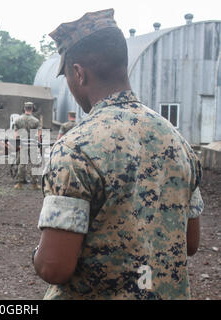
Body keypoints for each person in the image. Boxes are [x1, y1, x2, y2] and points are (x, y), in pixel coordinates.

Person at [32, 8, 203, 299]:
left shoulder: (75, 148)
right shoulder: (178, 141)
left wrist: (38, 253)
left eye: (68, 76)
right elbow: (190, 243)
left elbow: (54, 268)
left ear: (78, 73)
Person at [13, 102, 42, 190]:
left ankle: (19, 184)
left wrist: (17, 145)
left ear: (24, 108)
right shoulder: (36, 121)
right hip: (33, 144)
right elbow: (39, 135)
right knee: (35, 164)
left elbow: (16, 134)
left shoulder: (18, 120)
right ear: (32, 109)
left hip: (22, 144)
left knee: (22, 164)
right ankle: (34, 184)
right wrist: (39, 144)